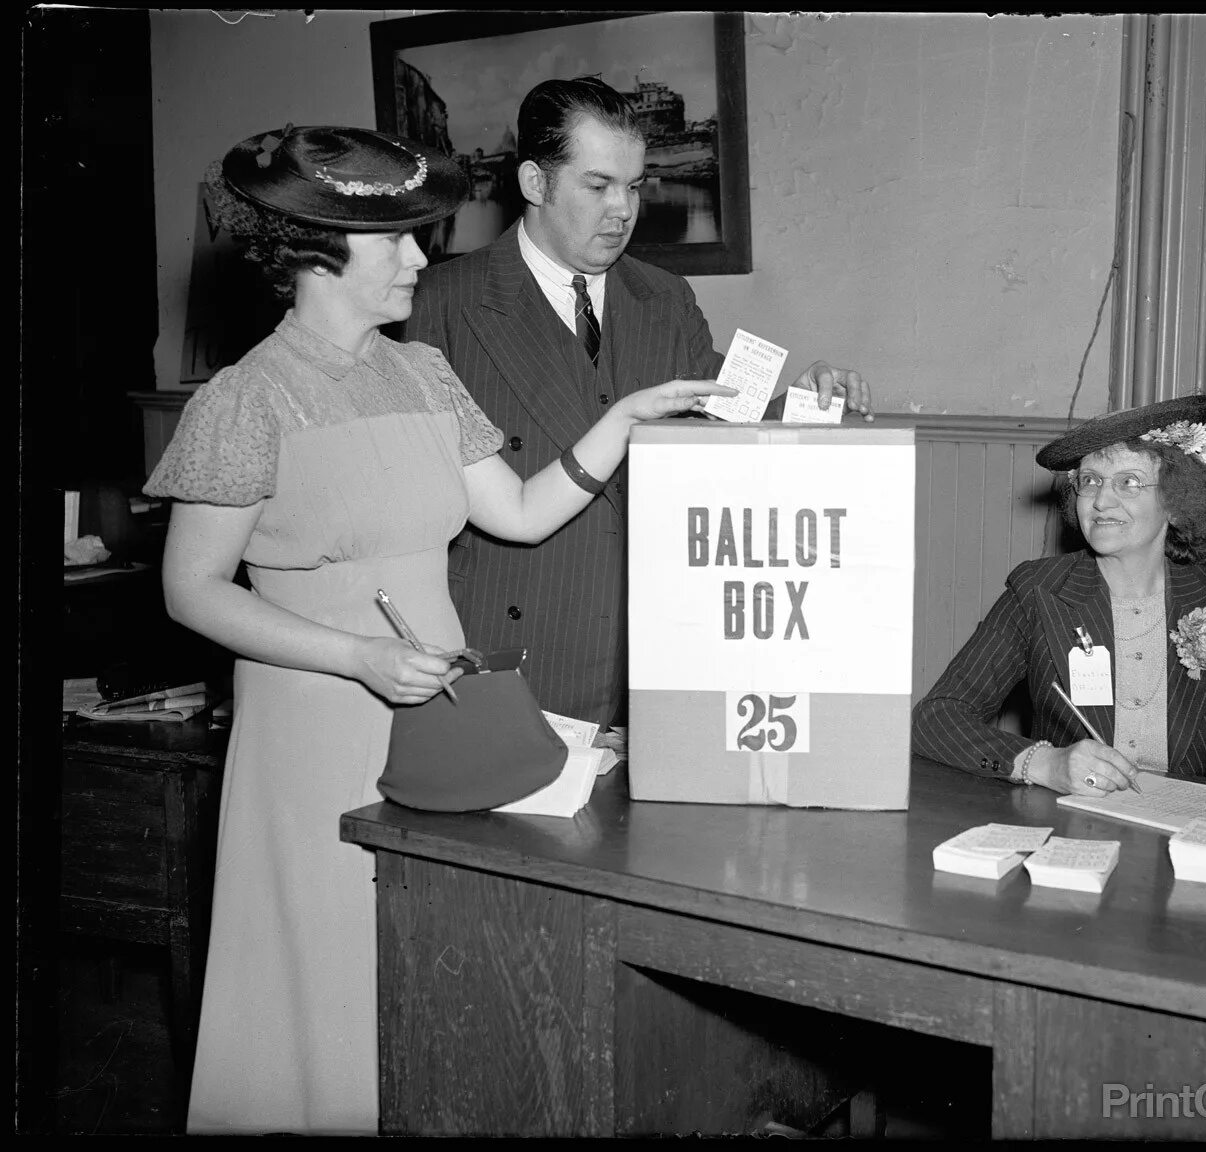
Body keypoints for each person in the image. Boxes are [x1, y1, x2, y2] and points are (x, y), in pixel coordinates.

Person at [143, 125, 731, 1135]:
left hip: (443, 717)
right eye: (399, 242)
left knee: (431, 962)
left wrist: (624, 419)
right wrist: (359, 657)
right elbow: (191, 592)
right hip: (317, 723)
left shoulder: (422, 376)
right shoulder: (244, 400)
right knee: (327, 966)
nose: (422, 258)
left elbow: (522, 513)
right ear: (314, 252)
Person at [404, 76, 875, 729]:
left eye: (634, 186)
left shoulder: (665, 297)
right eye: (598, 187)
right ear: (535, 184)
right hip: (511, 657)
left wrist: (809, 399)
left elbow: (723, 413)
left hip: (653, 659)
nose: (623, 210)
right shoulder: (441, 305)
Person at [911, 394, 1206, 839]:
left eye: (1128, 482)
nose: (1102, 501)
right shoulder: (1038, 593)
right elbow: (937, 718)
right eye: (1089, 482)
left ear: (1174, 499)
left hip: (1198, 829)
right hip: (1076, 823)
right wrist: (1045, 763)